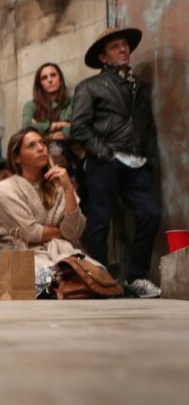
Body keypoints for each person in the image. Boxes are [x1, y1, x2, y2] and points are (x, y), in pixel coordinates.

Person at [70, 27, 161, 298]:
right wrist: (105, 153)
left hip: (137, 163)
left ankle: (137, 277)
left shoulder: (138, 87)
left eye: (125, 45)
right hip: (105, 162)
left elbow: (148, 126)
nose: (123, 50)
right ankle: (101, 281)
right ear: (104, 57)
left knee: (150, 214)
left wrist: (149, 159)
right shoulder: (90, 86)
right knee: (99, 221)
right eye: (115, 47)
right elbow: (78, 129)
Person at [0, 128, 98, 296]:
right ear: (16, 157)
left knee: (96, 272)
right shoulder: (4, 190)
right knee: (50, 278)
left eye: (42, 143)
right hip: (20, 255)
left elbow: (74, 231)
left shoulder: (58, 186)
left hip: (62, 251)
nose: (41, 148)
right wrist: (61, 232)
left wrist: (68, 188)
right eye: (31, 145)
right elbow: (30, 233)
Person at [23, 63, 81, 189]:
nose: (50, 80)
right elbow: (27, 127)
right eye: (44, 78)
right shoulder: (31, 106)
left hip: (73, 157)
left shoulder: (73, 102)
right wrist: (59, 125)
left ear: (60, 78)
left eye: (53, 75)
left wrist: (43, 130)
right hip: (42, 162)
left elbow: (79, 126)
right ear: (39, 84)